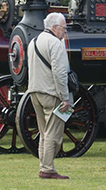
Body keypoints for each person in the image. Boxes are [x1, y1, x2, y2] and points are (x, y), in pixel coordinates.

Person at [26, 12, 71, 179]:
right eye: (63, 29)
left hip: (34, 91)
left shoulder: (33, 42)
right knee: (53, 134)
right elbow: (60, 74)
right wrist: (65, 98)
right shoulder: (55, 43)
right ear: (54, 27)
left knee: (44, 132)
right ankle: (47, 169)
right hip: (51, 93)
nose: (64, 33)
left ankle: (44, 166)